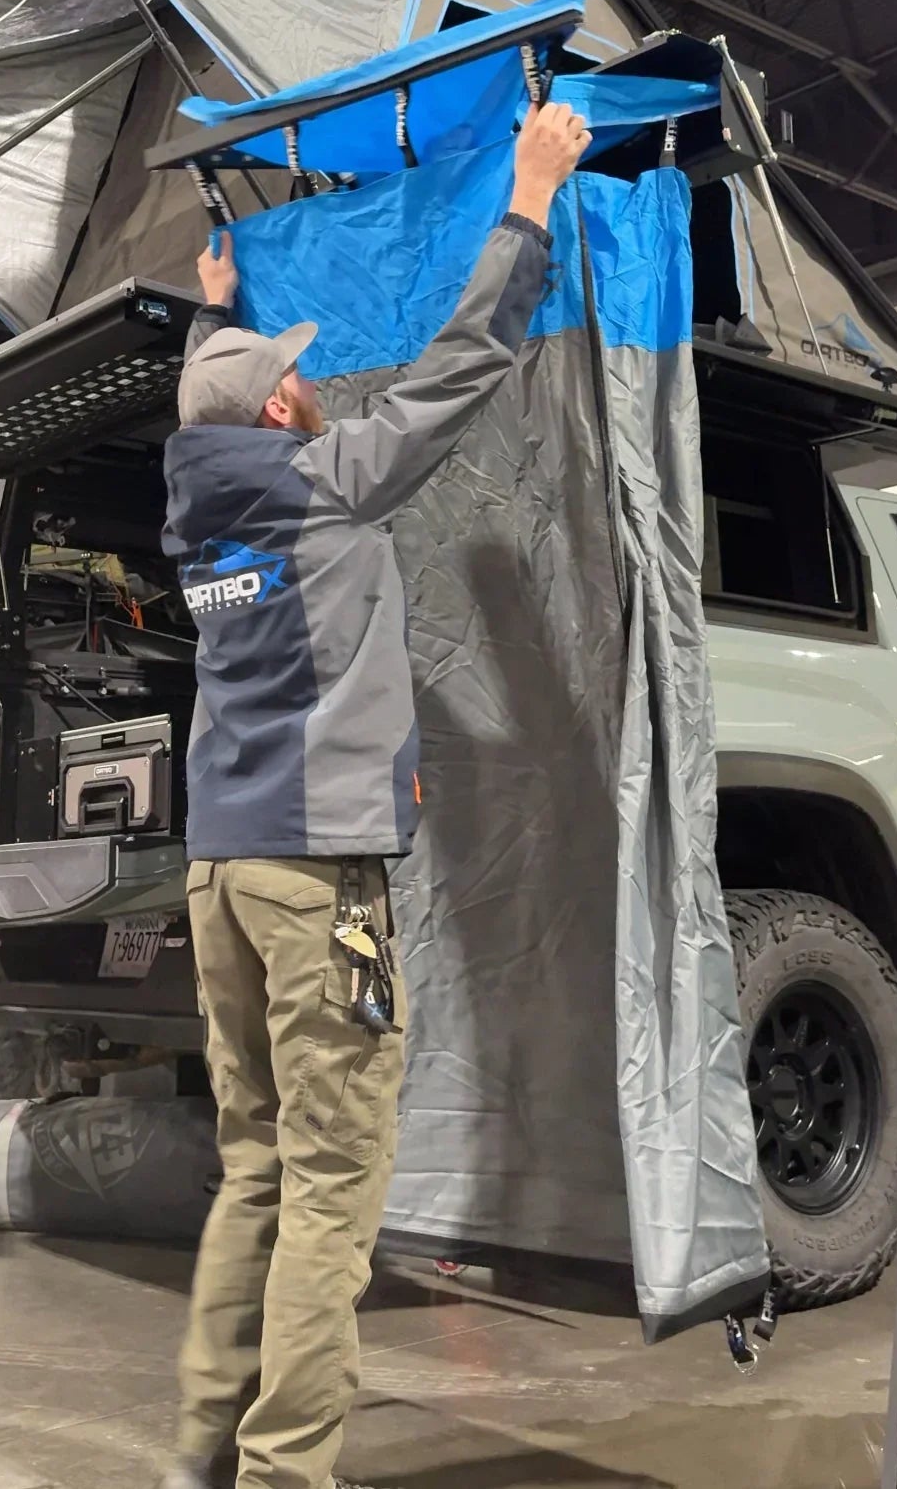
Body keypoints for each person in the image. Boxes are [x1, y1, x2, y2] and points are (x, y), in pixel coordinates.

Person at [162, 100, 591, 1489]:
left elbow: (208, 400)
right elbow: (462, 366)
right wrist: (528, 195)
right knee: (335, 1180)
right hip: (314, 883)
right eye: (294, 375)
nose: (311, 382)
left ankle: (202, 1455)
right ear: (278, 411)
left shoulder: (200, 509)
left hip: (220, 873)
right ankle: (287, 1473)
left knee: (258, 1165)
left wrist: (214, 308)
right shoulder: (325, 487)